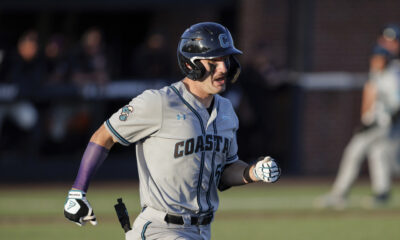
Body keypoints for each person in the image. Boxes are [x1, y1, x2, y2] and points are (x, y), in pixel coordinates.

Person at [63, 22, 281, 239]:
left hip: (202, 230)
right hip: (160, 229)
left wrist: (253, 172)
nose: (223, 68)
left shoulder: (226, 111)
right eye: (214, 61)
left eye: (225, 59)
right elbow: (105, 134)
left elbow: (223, 172)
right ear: (190, 65)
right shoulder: (159, 102)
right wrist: (77, 192)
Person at [315, 24, 400, 209]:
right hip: (379, 124)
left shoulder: (391, 75)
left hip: (381, 124)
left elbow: (395, 103)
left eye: (379, 57)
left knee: (354, 153)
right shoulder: (381, 73)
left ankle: (339, 193)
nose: (375, 60)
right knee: (379, 155)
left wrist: (376, 122)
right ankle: (382, 193)